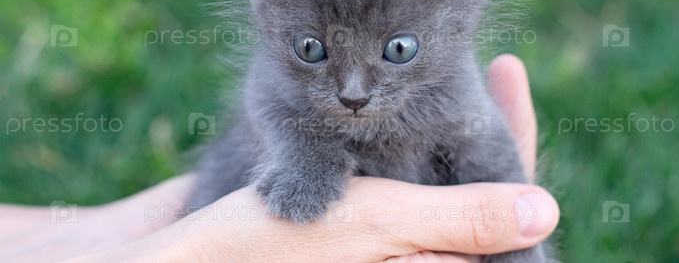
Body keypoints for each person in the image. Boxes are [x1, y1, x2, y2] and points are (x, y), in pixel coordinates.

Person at [1, 55, 559, 262]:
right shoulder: (276, 92)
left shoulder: (457, 96)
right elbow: (267, 96)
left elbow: (493, 171)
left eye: (398, 50)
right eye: (312, 50)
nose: (354, 91)